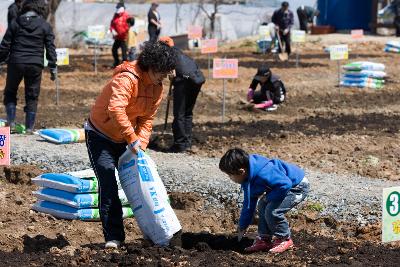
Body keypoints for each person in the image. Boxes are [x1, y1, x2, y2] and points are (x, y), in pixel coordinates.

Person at [85, 41, 177, 249]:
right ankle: (114, 237)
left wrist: (141, 145)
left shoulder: (157, 88)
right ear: (151, 67)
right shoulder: (126, 79)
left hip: (127, 138)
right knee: (108, 182)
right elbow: (115, 110)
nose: (163, 78)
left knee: (140, 183)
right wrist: (131, 138)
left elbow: (147, 119)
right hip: (100, 134)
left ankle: (156, 232)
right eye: (161, 73)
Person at [219, 148, 309, 254]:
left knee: (273, 211)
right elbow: (248, 204)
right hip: (282, 187)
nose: (230, 178)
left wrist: (269, 198)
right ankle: (264, 239)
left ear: (241, 171)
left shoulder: (264, 172)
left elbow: (285, 184)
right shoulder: (247, 179)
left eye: (230, 175)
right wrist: (242, 225)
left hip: (297, 187)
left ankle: (285, 239)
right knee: (262, 205)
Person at [0, 0, 57, 134]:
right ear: (40, 10)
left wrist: (0, 59)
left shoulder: (16, 23)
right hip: (35, 64)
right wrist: (53, 66)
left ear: (24, 8)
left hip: (16, 62)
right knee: (32, 95)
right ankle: (30, 128)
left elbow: (5, 45)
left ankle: (11, 122)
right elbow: (50, 48)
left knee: (10, 92)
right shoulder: (45, 25)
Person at [159, 36, 205, 153]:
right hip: (196, 81)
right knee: (187, 113)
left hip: (183, 82)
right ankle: (187, 142)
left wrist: (173, 84)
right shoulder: (179, 52)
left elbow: (170, 72)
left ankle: (179, 144)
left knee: (179, 114)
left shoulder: (167, 54)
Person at [110, 2, 131, 67]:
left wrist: (125, 32)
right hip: (117, 37)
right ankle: (116, 62)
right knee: (114, 50)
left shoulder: (127, 16)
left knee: (124, 53)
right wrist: (112, 30)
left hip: (124, 37)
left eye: (119, 8)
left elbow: (129, 25)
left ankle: (124, 66)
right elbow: (112, 24)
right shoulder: (115, 15)